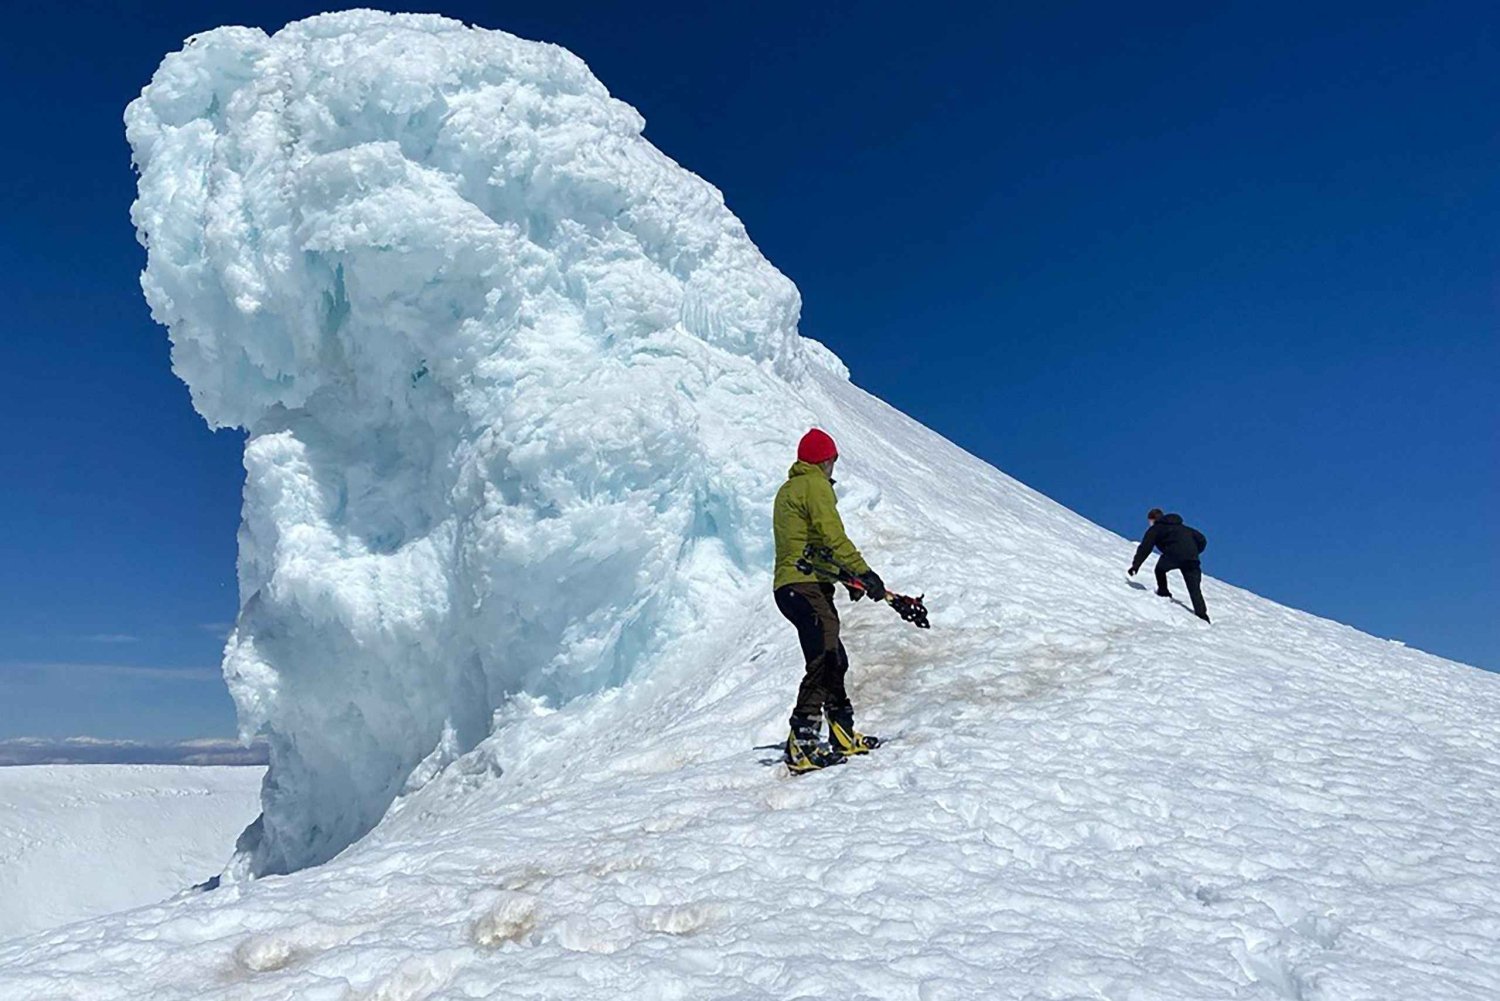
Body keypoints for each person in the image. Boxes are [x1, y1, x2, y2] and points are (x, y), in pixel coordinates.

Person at [772, 428, 886, 772]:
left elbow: (811, 545)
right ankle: (803, 741)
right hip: (804, 585)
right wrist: (863, 571)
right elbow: (831, 534)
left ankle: (841, 732)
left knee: (834, 657)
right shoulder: (815, 485)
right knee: (824, 655)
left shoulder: (791, 488)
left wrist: (844, 576)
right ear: (826, 460)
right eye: (833, 461)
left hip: (797, 585)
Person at [1129, 508, 1210, 622]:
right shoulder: (1185, 528)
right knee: (1194, 588)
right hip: (1192, 558)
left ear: (1153, 520)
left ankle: (1163, 592)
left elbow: (1145, 548)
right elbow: (1202, 539)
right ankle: (1202, 616)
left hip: (1173, 556)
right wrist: (1194, 551)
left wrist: (1135, 565)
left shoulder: (1156, 529)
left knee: (1160, 570)